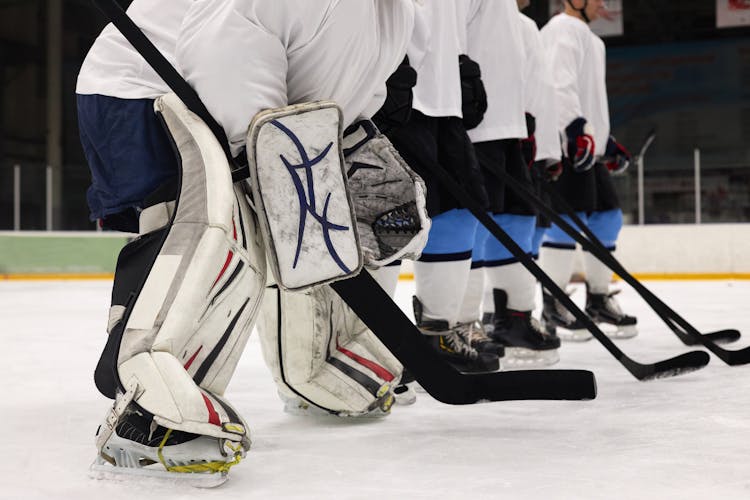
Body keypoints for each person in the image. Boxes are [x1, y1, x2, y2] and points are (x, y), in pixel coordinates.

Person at [77, 0, 425, 484]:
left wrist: (341, 151)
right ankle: (146, 413)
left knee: (301, 234)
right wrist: (269, 156)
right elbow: (225, 46)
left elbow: (340, 89)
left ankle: (314, 371)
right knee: (217, 228)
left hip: (235, 106)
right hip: (148, 86)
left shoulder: (395, 13)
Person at [386, 1, 501, 375]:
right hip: (392, 97)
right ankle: (373, 348)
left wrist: (461, 66)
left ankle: (437, 332)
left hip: (444, 100)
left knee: (459, 213)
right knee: (386, 221)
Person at [453, 0, 560, 366]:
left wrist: (539, 138)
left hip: (511, 132)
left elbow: (533, 85)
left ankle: (512, 320)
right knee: (473, 228)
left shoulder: (521, 24)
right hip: (475, 129)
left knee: (518, 223)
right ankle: (460, 323)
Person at [539, 0, 637, 341]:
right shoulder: (561, 30)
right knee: (566, 222)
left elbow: (589, 97)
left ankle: (597, 298)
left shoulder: (592, 40)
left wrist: (605, 141)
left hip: (586, 143)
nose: (602, 4)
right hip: (567, 143)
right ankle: (553, 305)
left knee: (607, 218)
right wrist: (576, 130)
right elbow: (557, 85)